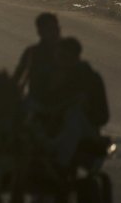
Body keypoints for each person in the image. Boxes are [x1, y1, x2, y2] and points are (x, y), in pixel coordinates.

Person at [49, 37, 110, 166]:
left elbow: (103, 116)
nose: (58, 60)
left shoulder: (90, 78)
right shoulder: (53, 74)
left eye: (63, 56)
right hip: (55, 124)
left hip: (86, 128)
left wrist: (86, 109)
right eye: (57, 56)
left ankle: (60, 163)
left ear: (74, 57)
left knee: (74, 116)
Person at [14, 12, 61, 109]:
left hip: (61, 106)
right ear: (40, 32)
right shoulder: (32, 53)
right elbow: (16, 79)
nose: (54, 33)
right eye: (50, 30)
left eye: (56, 29)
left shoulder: (67, 54)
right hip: (36, 106)